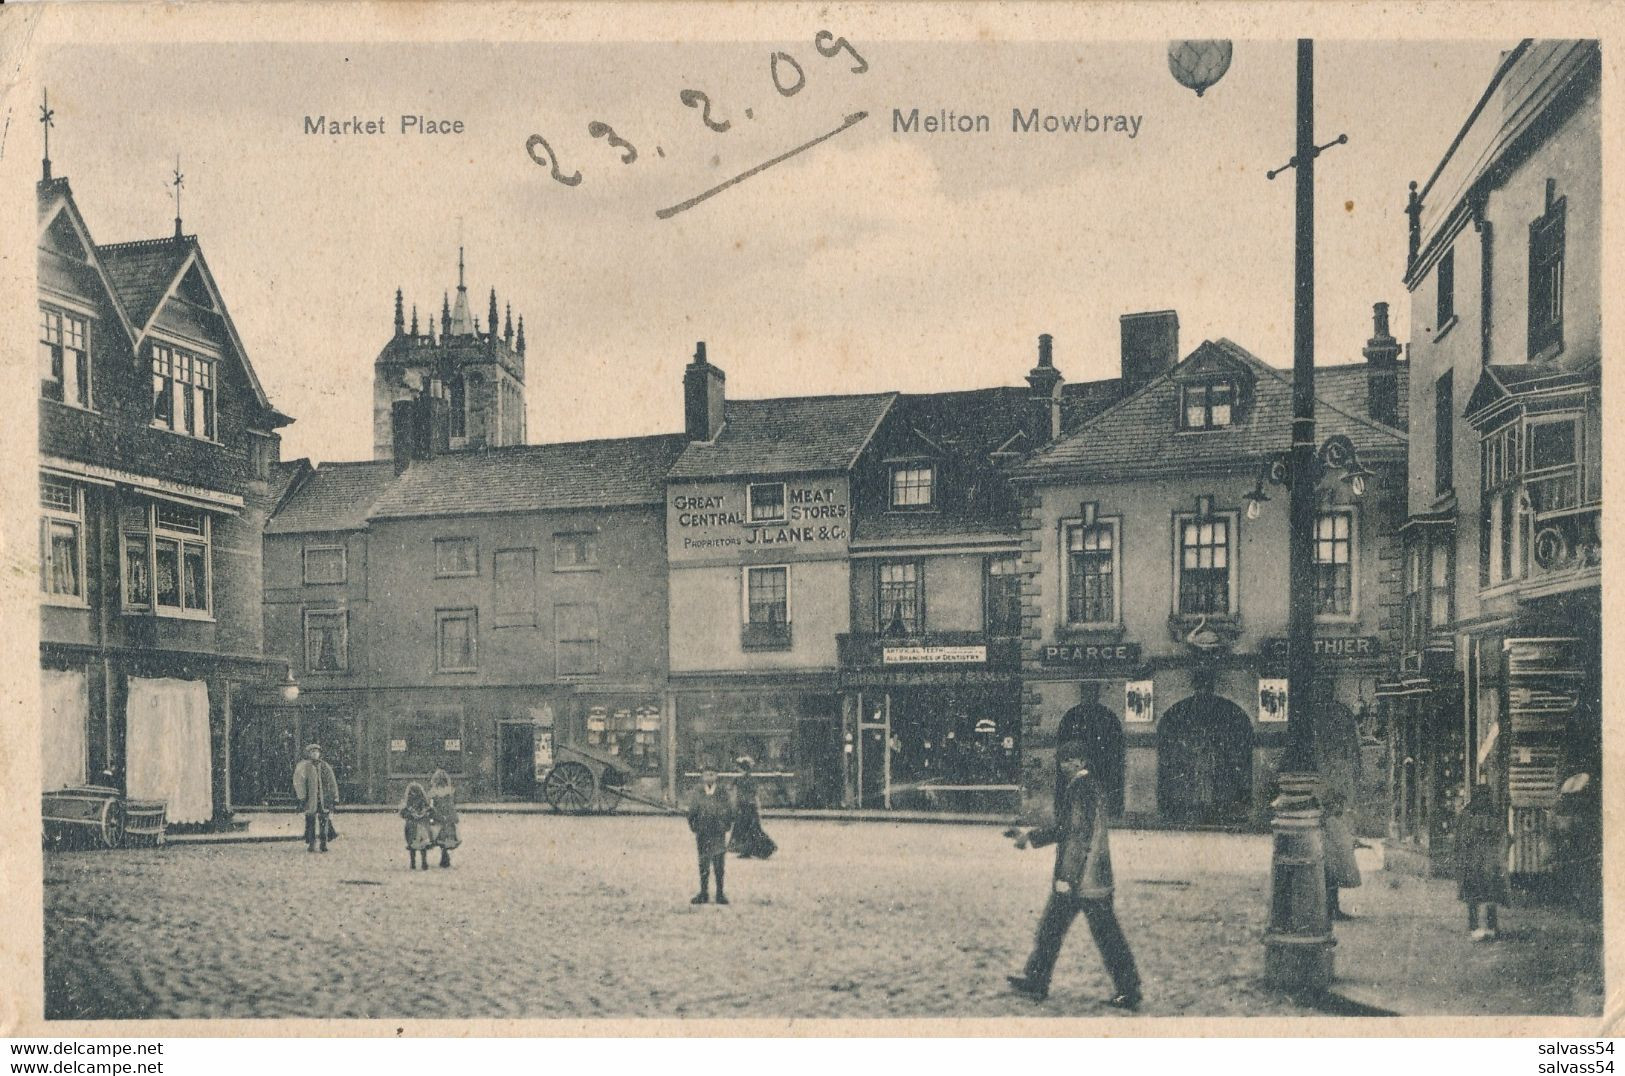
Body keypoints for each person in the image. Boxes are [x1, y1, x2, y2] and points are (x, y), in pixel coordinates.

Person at [1007, 741, 1142, 1009]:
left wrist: (1067, 878)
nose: (1063, 765)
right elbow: (1069, 830)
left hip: (1081, 879)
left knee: (1079, 933)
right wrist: (1030, 837)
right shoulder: (1090, 787)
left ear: (1080, 762)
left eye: (1068, 760)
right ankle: (1037, 980)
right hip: (1095, 877)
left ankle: (1128, 990)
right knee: (1059, 930)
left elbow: (1076, 835)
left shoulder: (1080, 789)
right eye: (1062, 760)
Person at [1455, 782, 1509, 941]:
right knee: (1491, 895)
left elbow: (1461, 839)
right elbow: (1503, 836)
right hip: (1490, 861)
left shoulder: (1467, 814)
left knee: (1473, 896)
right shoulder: (1495, 813)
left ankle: (1474, 927)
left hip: (1472, 860)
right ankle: (1491, 927)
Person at [687, 765, 733, 905]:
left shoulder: (722, 792)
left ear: (717, 776)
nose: (709, 777)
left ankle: (720, 893)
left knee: (719, 863)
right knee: (704, 863)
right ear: (702, 776)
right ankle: (703, 893)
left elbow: (729, 810)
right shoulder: (698, 792)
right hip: (703, 832)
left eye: (712, 774)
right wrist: (695, 827)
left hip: (717, 832)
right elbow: (692, 811)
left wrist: (725, 825)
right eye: (707, 774)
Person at [292, 743, 339, 853]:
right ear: (309, 754)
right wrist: (302, 797)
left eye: (317, 752)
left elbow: (332, 782)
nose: (315, 754)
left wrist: (334, 797)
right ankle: (311, 844)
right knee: (310, 822)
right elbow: (299, 782)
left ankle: (324, 843)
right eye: (312, 752)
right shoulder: (304, 766)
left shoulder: (325, 766)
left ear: (319, 754)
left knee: (324, 822)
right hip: (310, 798)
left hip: (324, 798)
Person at [727, 756, 777, 860]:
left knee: (743, 828)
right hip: (751, 806)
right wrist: (758, 807)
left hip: (742, 806)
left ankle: (746, 851)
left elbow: (731, 790)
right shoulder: (752, 779)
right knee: (752, 829)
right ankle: (751, 850)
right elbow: (755, 794)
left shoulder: (737, 779)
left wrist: (734, 805)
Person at [428, 769, 461, 869]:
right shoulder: (451, 791)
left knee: (439, 837)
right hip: (448, 819)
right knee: (447, 838)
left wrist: (432, 815)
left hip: (439, 818)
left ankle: (444, 856)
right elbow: (452, 805)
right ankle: (445, 857)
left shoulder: (433, 792)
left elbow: (431, 804)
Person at [400, 782, 434, 871]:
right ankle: (423, 862)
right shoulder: (423, 802)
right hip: (420, 827)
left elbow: (403, 813)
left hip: (413, 828)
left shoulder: (409, 803)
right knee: (423, 846)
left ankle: (414, 863)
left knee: (413, 846)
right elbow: (430, 811)